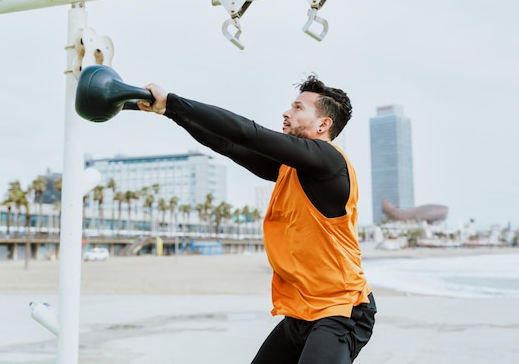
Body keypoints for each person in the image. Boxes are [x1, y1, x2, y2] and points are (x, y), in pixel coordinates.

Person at [138, 74, 376, 364]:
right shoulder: (289, 169)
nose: (286, 113)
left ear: (323, 124)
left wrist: (173, 100)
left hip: (342, 310)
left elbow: (248, 134)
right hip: (301, 312)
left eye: (298, 108)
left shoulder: (329, 161)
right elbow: (228, 145)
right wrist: (170, 112)